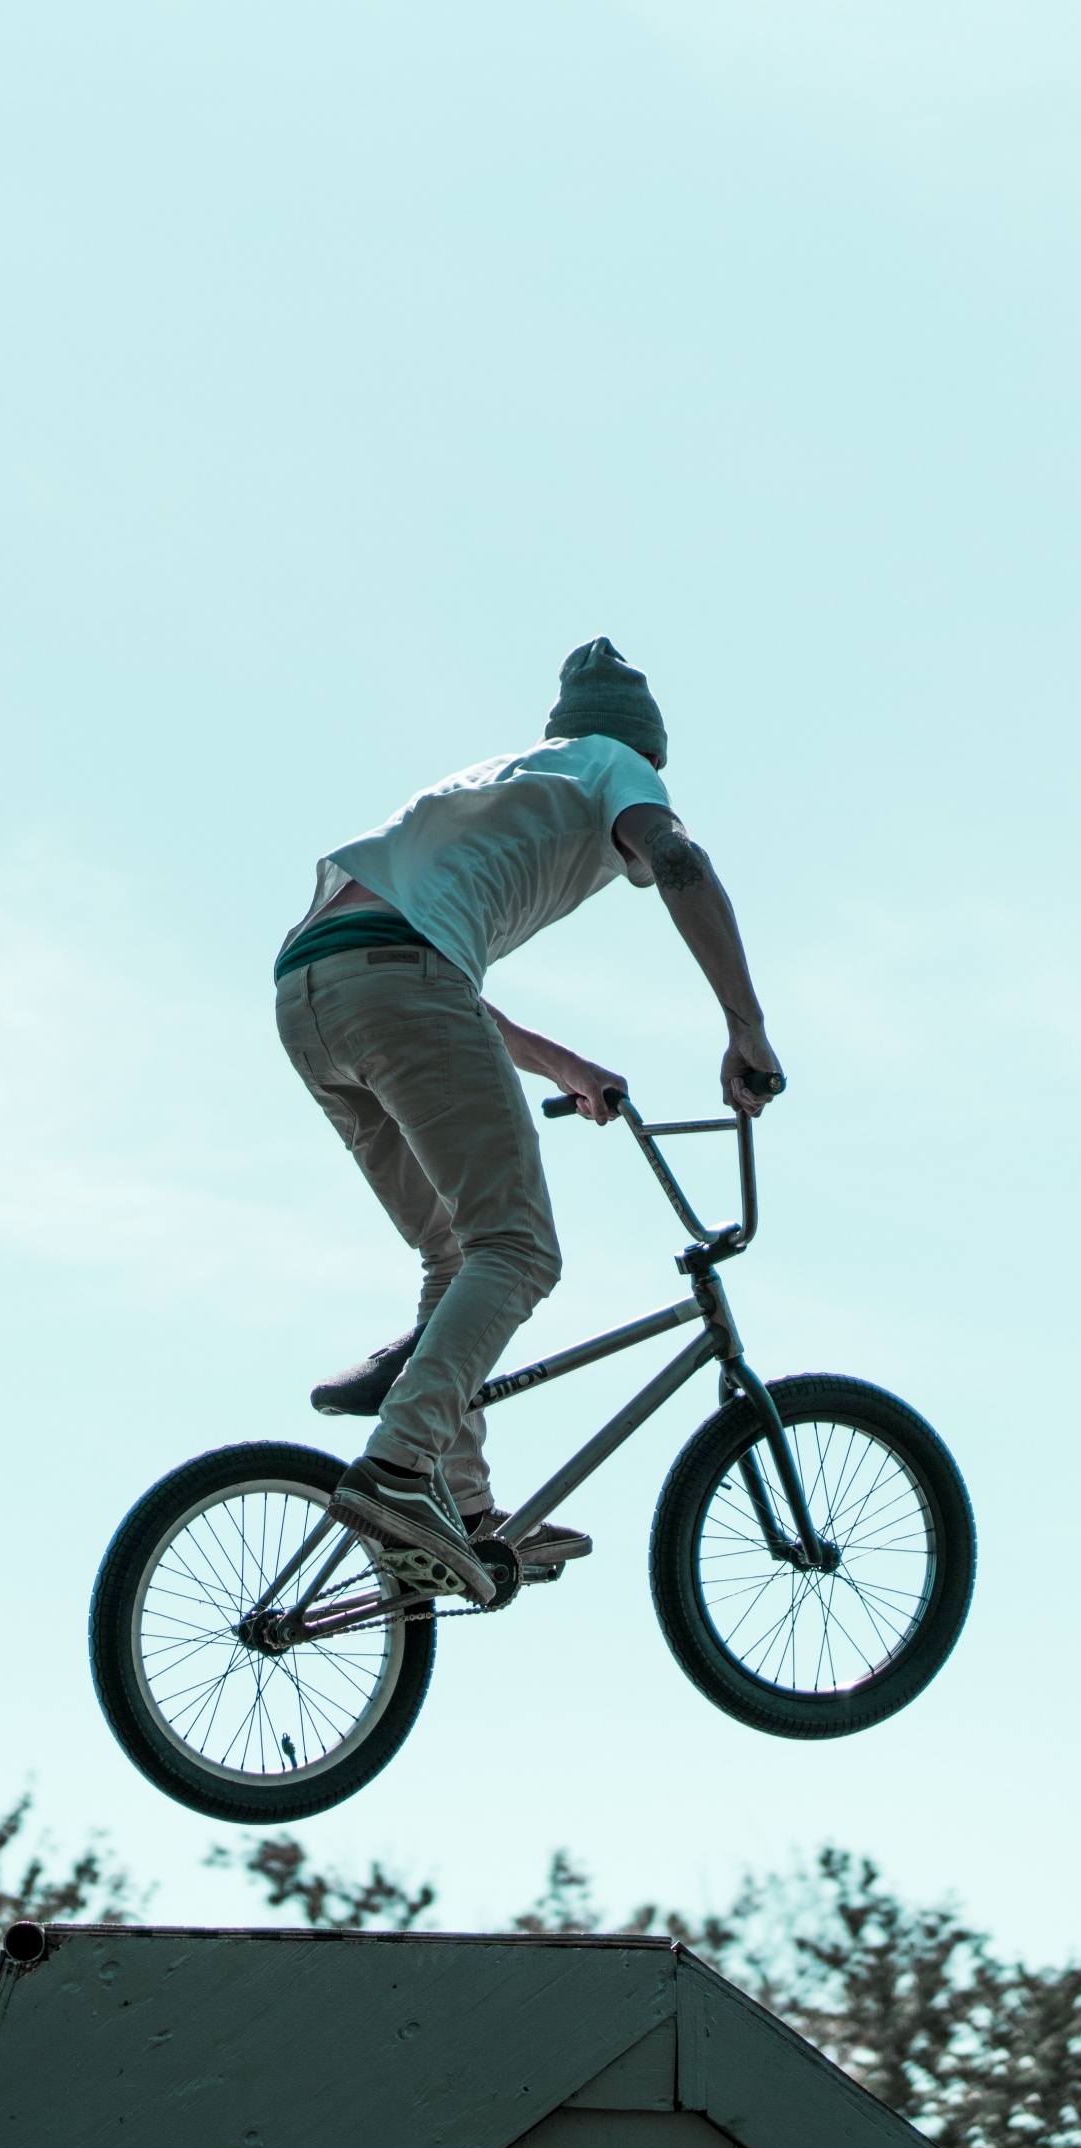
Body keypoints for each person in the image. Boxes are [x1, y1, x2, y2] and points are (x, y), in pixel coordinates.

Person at [274, 637, 782, 1608]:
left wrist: (563, 1066)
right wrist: (745, 1027)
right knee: (518, 1248)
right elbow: (679, 858)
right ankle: (399, 1469)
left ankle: (460, 1512)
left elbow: (412, 966)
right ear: (649, 753)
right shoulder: (613, 764)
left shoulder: (502, 780)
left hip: (311, 992)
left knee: (458, 1253)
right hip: (399, 983)